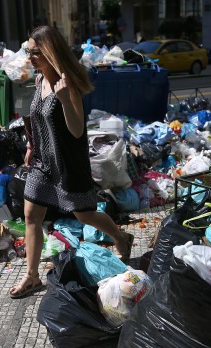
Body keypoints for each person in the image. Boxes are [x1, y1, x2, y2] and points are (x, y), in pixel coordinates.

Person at [9, 25, 134, 299]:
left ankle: (120, 237)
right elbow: (38, 118)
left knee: (84, 215)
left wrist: (64, 99)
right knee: (31, 216)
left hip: (67, 164)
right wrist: (31, 145)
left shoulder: (68, 84)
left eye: (36, 53)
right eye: (29, 52)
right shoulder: (39, 79)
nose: (31, 58)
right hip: (43, 161)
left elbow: (77, 130)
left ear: (51, 52)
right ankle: (31, 276)